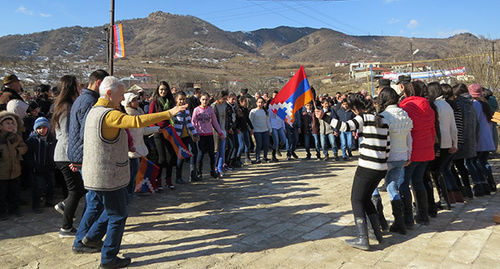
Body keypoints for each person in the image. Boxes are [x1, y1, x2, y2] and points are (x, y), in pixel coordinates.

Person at [79, 76, 187, 268]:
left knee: (112, 210)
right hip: (108, 176)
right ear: (109, 94)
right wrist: (168, 113)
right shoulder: (109, 114)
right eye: (121, 95)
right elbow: (137, 121)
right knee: (118, 215)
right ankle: (108, 258)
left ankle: (92, 238)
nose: (122, 100)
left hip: (95, 174)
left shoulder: (93, 111)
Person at [315, 93, 390, 251]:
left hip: (367, 166)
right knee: (367, 199)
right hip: (381, 167)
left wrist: (324, 117)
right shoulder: (383, 120)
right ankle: (376, 233)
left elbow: (344, 127)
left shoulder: (363, 118)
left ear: (355, 108)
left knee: (356, 200)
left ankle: (362, 238)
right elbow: (387, 147)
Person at [375, 88, 413, 235]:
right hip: (402, 155)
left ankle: (380, 221)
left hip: (387, 157)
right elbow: (409, 138)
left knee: (373, 187)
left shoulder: (383, 116)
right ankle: (399, 221)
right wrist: (408, 155)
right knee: (392, 188)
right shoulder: (405, 114)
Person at [51, 75, 85, 238]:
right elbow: (65, 135)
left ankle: (65, 207)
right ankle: (66, 227)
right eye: (77, 85)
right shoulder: (66, 108)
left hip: (65, 154)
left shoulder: (66, 106)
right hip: (65, 155)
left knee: (79, 189)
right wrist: (73, 158)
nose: (80, 88)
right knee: (76, 190)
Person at [399, 81, 435, 228]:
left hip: (411, 152)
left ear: (406, 93)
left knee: (403, 184)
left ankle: (407, 218)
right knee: (418, 182)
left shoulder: (405, 107)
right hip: (426, 149)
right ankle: (423, 215)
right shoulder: (429, 107)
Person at [122, 93, 159, 196]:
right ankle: (129, 192)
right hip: (132, 149)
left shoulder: (139, 113)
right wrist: (129, 146)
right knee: (133, 172)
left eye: (136, 99)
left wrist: (156, 129)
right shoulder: (127, 117)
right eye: (134, 100)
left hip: (140, 146)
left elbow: (143, 131)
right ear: (128, 103)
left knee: (140, 171)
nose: (137, 102)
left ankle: (137, 189)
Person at [452, 84, 480, 198]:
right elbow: (477, 124)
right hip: (470, 139)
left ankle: (461, 189)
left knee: (456, 165)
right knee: (463, 166)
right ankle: (468, 187)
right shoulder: (471, 105)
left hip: (460, 140)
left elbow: (457, 125)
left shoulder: (458, 105)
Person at [149, 81, 178, 190]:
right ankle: (158, 180)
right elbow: (150, 118)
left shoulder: (170, 102)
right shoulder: (154, 103)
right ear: (158, 90)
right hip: (158, 132)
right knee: (161, 159)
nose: (163, 91)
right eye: (161, 89)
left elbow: (173, 116)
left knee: (171, 157)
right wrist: (157, 128)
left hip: (169, 131)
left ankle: (169, 180)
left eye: (165, 89)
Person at [468, 83, 496, 194]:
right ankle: (490, 182)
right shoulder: (485, 104)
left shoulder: (475, 105)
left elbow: (475, 122)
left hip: (479, 139)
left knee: (476, 162)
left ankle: (482, 183)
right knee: (483, 161)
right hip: (487, 138)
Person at [25, 117, 56, 213]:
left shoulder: (52, 139)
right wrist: (33, 165)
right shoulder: (32, 140)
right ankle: (36, 205)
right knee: (38, 187)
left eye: (44, 128)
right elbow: (28, 154)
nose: (41, 130)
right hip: (37, 167)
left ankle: (49, 200)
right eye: (39, 128)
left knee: (51, 184)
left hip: (49, 166)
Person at [0, 111, 28, 220]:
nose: (10, 125)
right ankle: (2, 211)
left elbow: (24, 147)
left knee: (14, 191)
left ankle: (14, 208)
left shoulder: (16, 137)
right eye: (7, 123)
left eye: (12, 123)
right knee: (2, 193)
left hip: (15, 170)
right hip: (2, 172)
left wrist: (17, 151)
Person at [191, 92, 225, 179]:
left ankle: (212, 171)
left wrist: (220, 132)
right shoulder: (196, 110)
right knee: (201, 153)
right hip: (200, 134)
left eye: (206, 99)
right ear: (200, 100)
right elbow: (193, 123)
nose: (205, 101)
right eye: (203, 99)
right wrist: (194, 134)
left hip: (209, 134)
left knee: (211, 153)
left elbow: (215, 122)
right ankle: (199, 172)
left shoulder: (210, 110)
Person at [172, 91, 200, 183]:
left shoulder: (187, 110)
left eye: (184, 99)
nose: (182, 101)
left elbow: (189, 123)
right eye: (180, 99)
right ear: (176, 100)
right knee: (181, 156)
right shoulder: (174, 110)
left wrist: (195, 133)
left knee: (193, 152)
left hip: (187, 135)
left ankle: (193, 174)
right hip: (179, 136)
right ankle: (178, 177)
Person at [212, 91, 229, 176]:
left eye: (226, 99)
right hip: (216, 132)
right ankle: (214, 168)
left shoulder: (225, 106)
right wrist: (218, 132)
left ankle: (220, 168)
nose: (225, 100)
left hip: (224, 130)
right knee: (216, 151)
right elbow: (213, 122)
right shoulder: (213, 106)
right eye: (223, 99)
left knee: (222, 151)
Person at [250, 97, 271, 164]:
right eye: (259, 102)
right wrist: (251, 129)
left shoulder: (265, 111)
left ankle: (265, 157)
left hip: (265, 130)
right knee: (259, 144)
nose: (260, 104)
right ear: (256, 103)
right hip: (257, 130)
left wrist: (270, 129)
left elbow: (267, 121)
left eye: (262, 102)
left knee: (266, 144)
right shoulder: (253, 111)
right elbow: (251, 121)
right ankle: (257, 158)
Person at [236, 96, 253, 164]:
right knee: (241, 145)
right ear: (240, 102)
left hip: (245, 129)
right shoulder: (237, 110)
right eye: (245, 101)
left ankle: (247, 157)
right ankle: (237, 158)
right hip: (239, 129)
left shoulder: (245, 110)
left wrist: (252, 128)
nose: (246, 103)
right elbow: (236, 121)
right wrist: (237, 128)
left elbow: (247, 120)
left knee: (247, 144)